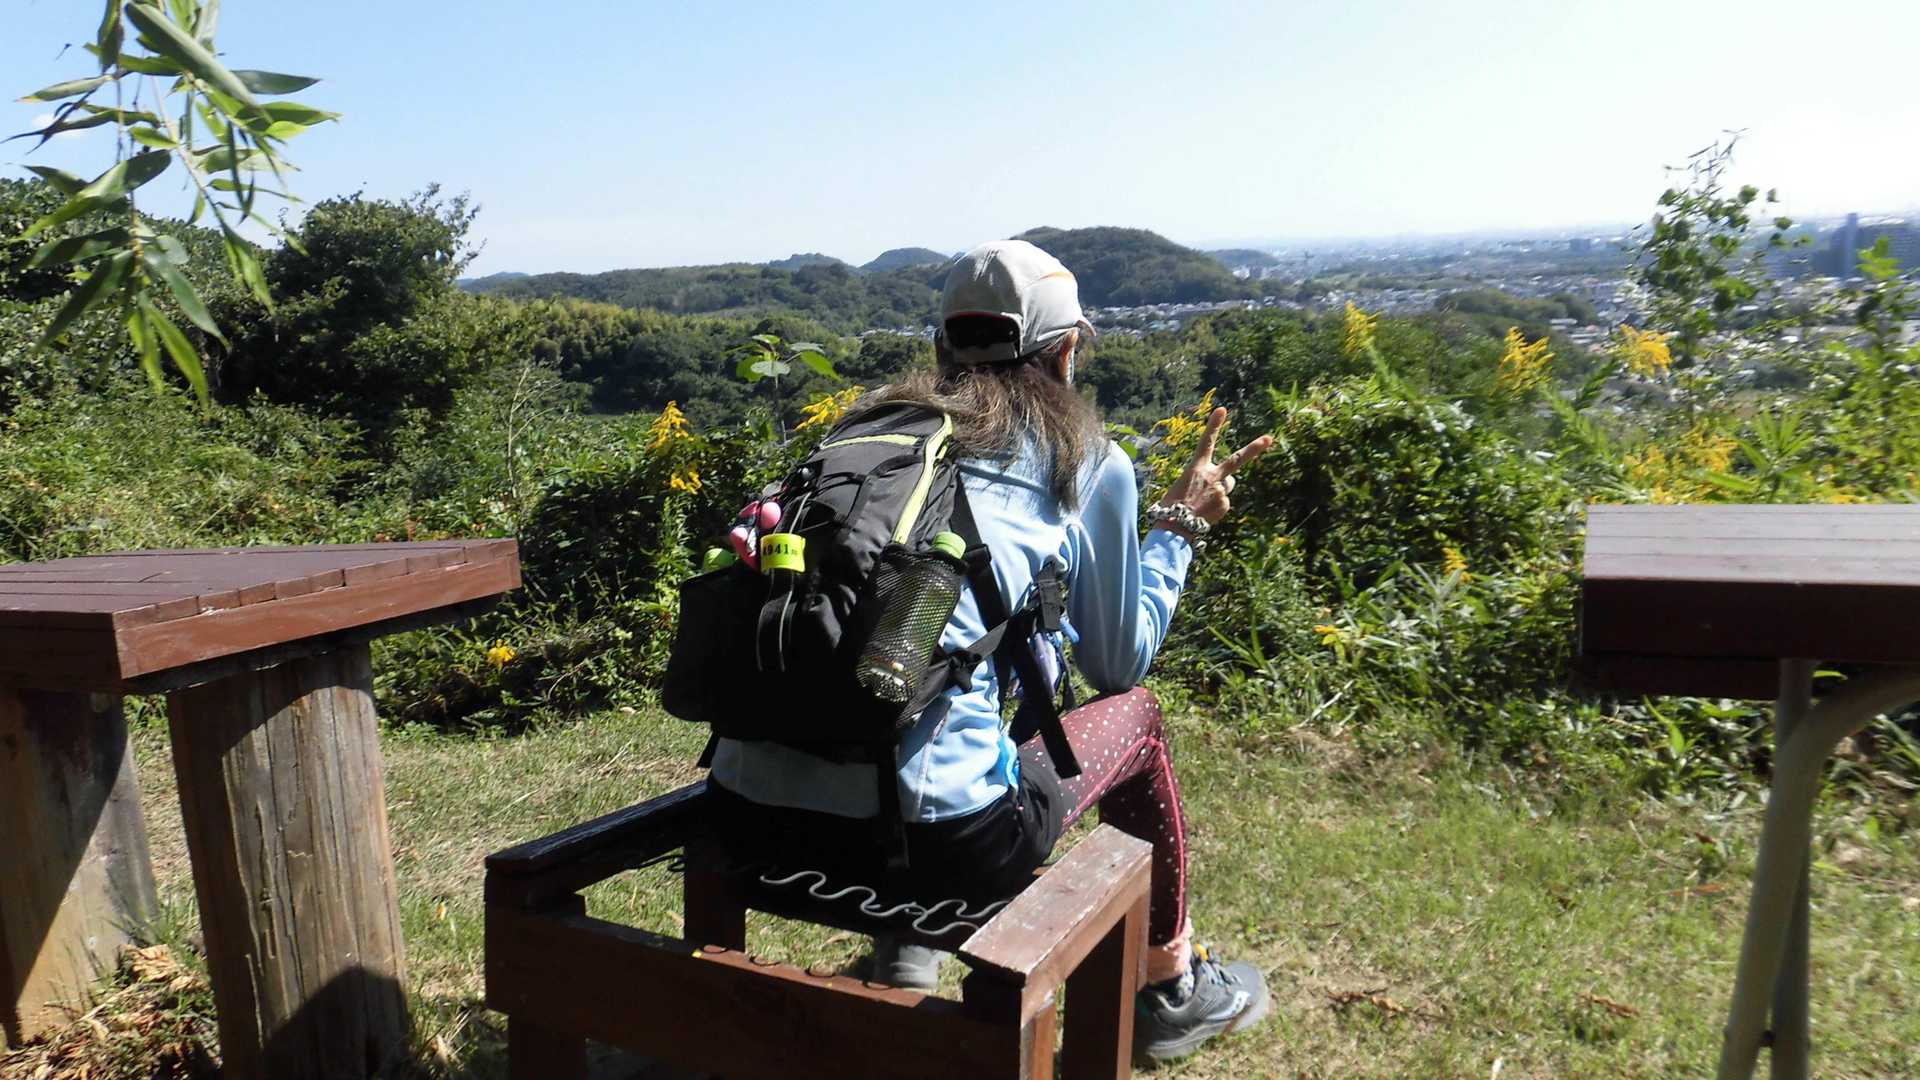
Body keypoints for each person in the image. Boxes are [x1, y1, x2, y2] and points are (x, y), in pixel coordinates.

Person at [704, 239, 1275, 1060]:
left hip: (746, 822)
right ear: (1067, 351)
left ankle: (908, 946)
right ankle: (1169, 983)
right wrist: (1178, 530)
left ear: (942, 347)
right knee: (1138, 716)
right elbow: (1116, 664)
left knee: (979, 646)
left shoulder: (861, 435)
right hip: (941, 851)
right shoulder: (1087, 460)